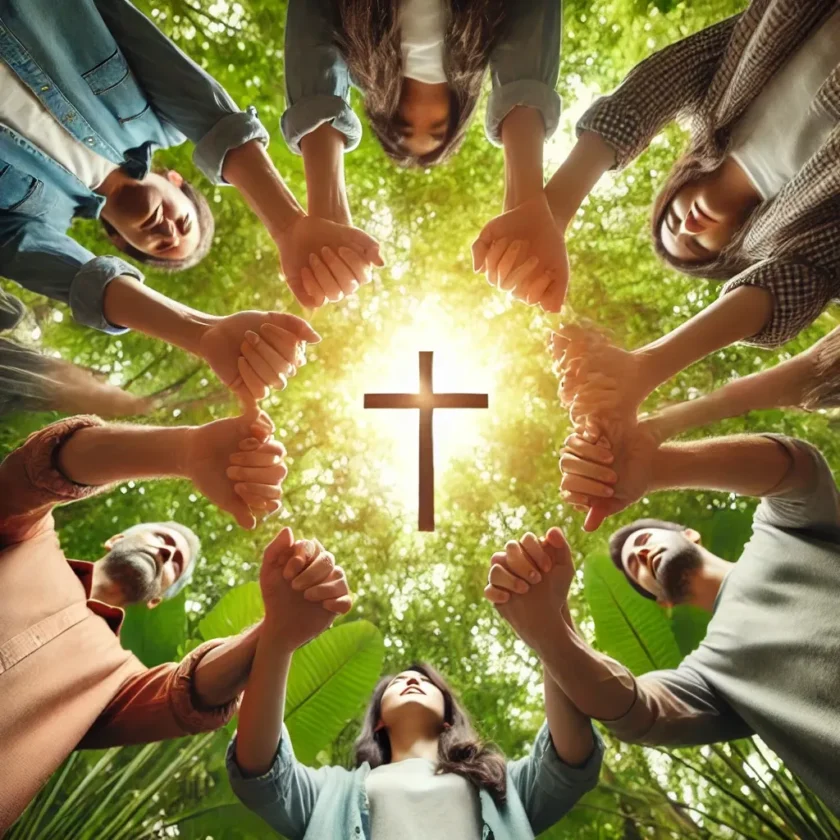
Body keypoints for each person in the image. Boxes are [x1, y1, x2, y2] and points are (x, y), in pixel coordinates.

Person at [478, 0, 840, 359]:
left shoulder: (714, 106)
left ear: (674, 192)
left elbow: (647, 95)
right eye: (696, 246)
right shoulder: (796, 233)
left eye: (671, 220)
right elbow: (793, 288)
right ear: (729, 253)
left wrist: (555, 212)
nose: (686, 228)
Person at [0, 0, 383, 326]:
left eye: (161, 244)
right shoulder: (155, 119)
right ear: (175, 179)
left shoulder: (38, 221)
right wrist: (287, 226)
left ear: (120, 240)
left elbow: (79, 280)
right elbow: (209, 116)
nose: (167, 230)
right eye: (183, 222)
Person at [0, 406, 289, 830]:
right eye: (163, 539)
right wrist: (185, 450)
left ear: (157, 600)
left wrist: (278, 624)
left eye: (176, 564)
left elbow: (190, 698)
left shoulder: (115, 683)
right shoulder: (29, 537)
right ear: (117, 539)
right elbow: (38, 469)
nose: (168, 553)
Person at [226, 527, 603, 839]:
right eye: (398, 682)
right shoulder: (329, 792)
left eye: (424, 681)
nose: (410, 679)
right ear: (377, 721)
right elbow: (261, 770)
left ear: (447, 719)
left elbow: (568, 757)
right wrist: (278, 633)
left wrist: (552, 622)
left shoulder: (505, 786)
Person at [544, 428, 840, 816]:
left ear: (690, 534)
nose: (640, 554)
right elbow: (636, 713)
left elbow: (798, 469)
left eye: (644, 539)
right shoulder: (710, 675)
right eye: (634, 568)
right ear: (662, 601)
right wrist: (550, 617)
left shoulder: (781, 531)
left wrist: (653, 468)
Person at [283, 0, 565, 308]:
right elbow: (528, 28)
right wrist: (525, 198)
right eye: (435, 129)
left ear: (383, 113)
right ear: (457, 117)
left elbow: (312, 36)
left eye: (403, 126)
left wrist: (327, 210)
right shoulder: (485, 36)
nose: (419, 115)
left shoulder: (358, 45)